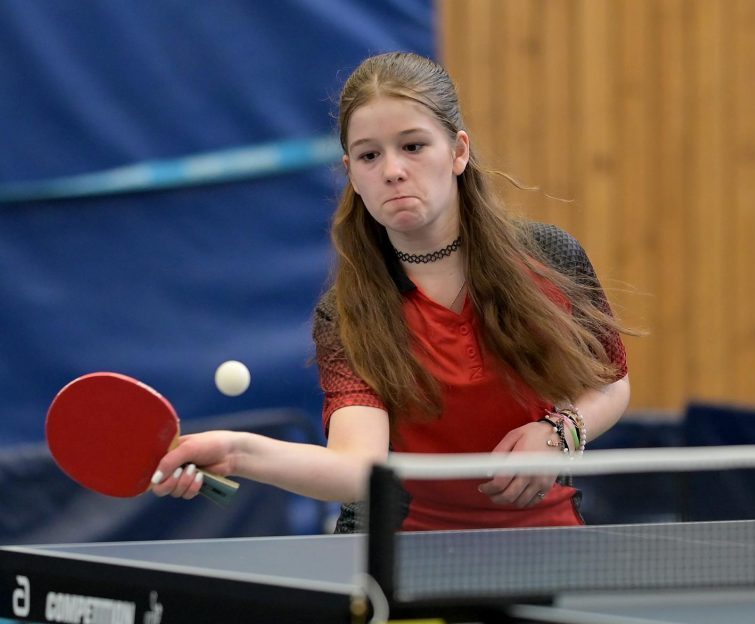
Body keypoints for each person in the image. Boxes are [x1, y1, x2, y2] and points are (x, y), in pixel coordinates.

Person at [151, 51, 631, 531]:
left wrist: (562, 431)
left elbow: (610, 381)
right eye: (369, 155)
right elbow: (356, 467)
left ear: (458, 151)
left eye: (413, 146)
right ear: (352, 174)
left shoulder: (549, 256)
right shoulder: (348, 314)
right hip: (398, 561)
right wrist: (236, 451)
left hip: (549, 541)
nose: (393, 170)